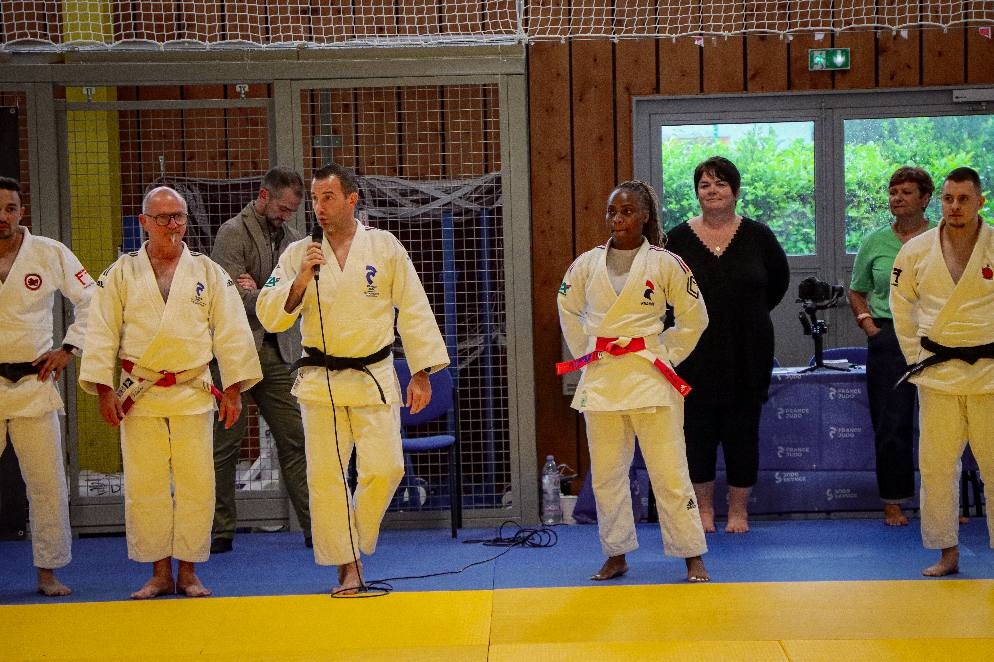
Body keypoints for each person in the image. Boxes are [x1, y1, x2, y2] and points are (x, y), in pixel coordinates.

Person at [256, 162, 449, 595]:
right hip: (319, 379)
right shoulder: (298, 253)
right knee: (326, 478)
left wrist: (421, 372)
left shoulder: (383, 247)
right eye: (315, 199)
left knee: (386, 468)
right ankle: (348, 565)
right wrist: (301, 279)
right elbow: (270, 314)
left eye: (328, 197)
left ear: (351, 199)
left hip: (373, 375)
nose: (319, 207)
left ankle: (353, 541)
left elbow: (414, 308)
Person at [79, 186, 261, 599]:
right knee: (146, 486)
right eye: (161, 218)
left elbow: (232, 331)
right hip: (139, 393)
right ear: (144, 222)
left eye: (177, 216)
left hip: (193, 390)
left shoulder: (207, 271)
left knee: (197, 484)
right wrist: (104, 391)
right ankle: (159, 572)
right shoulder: (120, 273)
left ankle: (189, 571)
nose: (171, 225)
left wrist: (233, 389)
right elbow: (101, 332)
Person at [557, 180, 710, 583]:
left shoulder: (666, 263)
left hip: (649, 375)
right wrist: (586, 353)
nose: (618, 218)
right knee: (607, 475)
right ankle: (616, 552)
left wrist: (666, 352)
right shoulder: (586, 263)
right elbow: (567, 306)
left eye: (626, 211)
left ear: (644, 216)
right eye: (612, 211)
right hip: (603, 378)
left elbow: (695, 316)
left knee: (670, 472)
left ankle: (691, 553)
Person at [664, 156, 790, 534]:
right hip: (693, 356)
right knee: (697, 436)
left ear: (735, 191)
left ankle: (738, 511)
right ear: (696, 193)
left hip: (748, 352)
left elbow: (778, 283)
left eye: (720, 184)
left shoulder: (759, 236)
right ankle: (703, 511)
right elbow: (664, 295)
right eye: (705, 185)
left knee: (742, 435)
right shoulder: (676, 239)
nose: (712, 191)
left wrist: (747, 314)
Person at [890, 166, 994, 577]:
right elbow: (901, 307)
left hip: (990, 372)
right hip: (937, 372)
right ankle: (947, 552)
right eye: (949, 198)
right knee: (936, 467)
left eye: (964, 199)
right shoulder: (915, 250)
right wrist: (915, 358)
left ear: (980, 201)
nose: (955, 206)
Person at [208, 166, 311, 553]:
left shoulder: (295, 241)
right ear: (263, 196)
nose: (286, 216)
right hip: (235, 353)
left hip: (278, 352)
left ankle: (315, 527)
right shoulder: (232, 233)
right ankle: (221, 530)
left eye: (292, 211)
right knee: (225, 445)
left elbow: (302, 296)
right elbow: (230, 296)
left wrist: (263, 289)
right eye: (282, 208)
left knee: (295, 439)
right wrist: (280, 294)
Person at [0, 176, 93, 596]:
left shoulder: (48, 252)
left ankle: (48, 572)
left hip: (34, 382)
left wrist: (69, 348)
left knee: (47, 484)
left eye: (10, 209)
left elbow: (92, 299)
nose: (3, 217)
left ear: (22, 212)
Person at [849, 167, 935, 526]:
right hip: (888, 338)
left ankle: (942, 503)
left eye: (906, 192)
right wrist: (869, 326)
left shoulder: (942, 237)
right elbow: (857, 290)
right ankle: (894, 502)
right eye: (893, 192)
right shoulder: (875, 241)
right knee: (891, 423)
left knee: (940, 425)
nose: (897, 198)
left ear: (925, 198)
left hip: (937, 339)